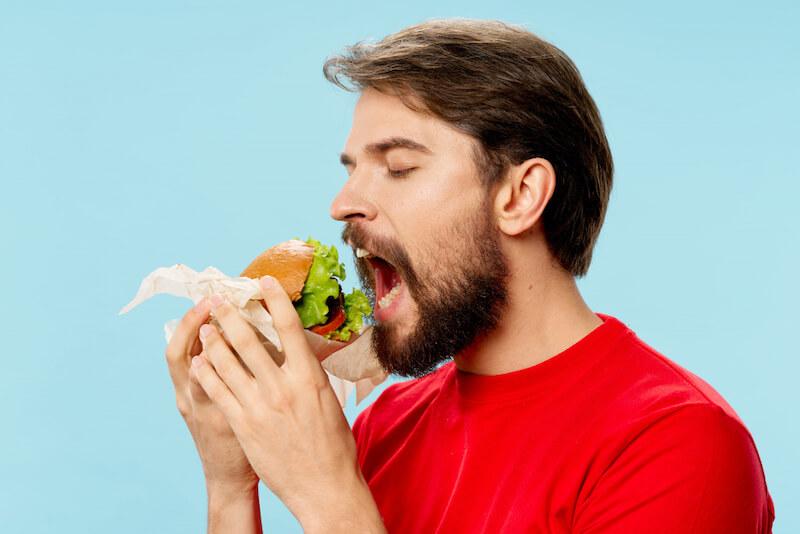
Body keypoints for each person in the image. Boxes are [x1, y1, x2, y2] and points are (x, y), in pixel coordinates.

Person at [164, 19, 775, 533]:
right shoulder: (389, 422)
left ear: (519, 195)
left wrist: (327, 494)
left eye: (399, 167)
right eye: (352, 169)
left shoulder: (676, 444)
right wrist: (229, 485)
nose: (343, 203)